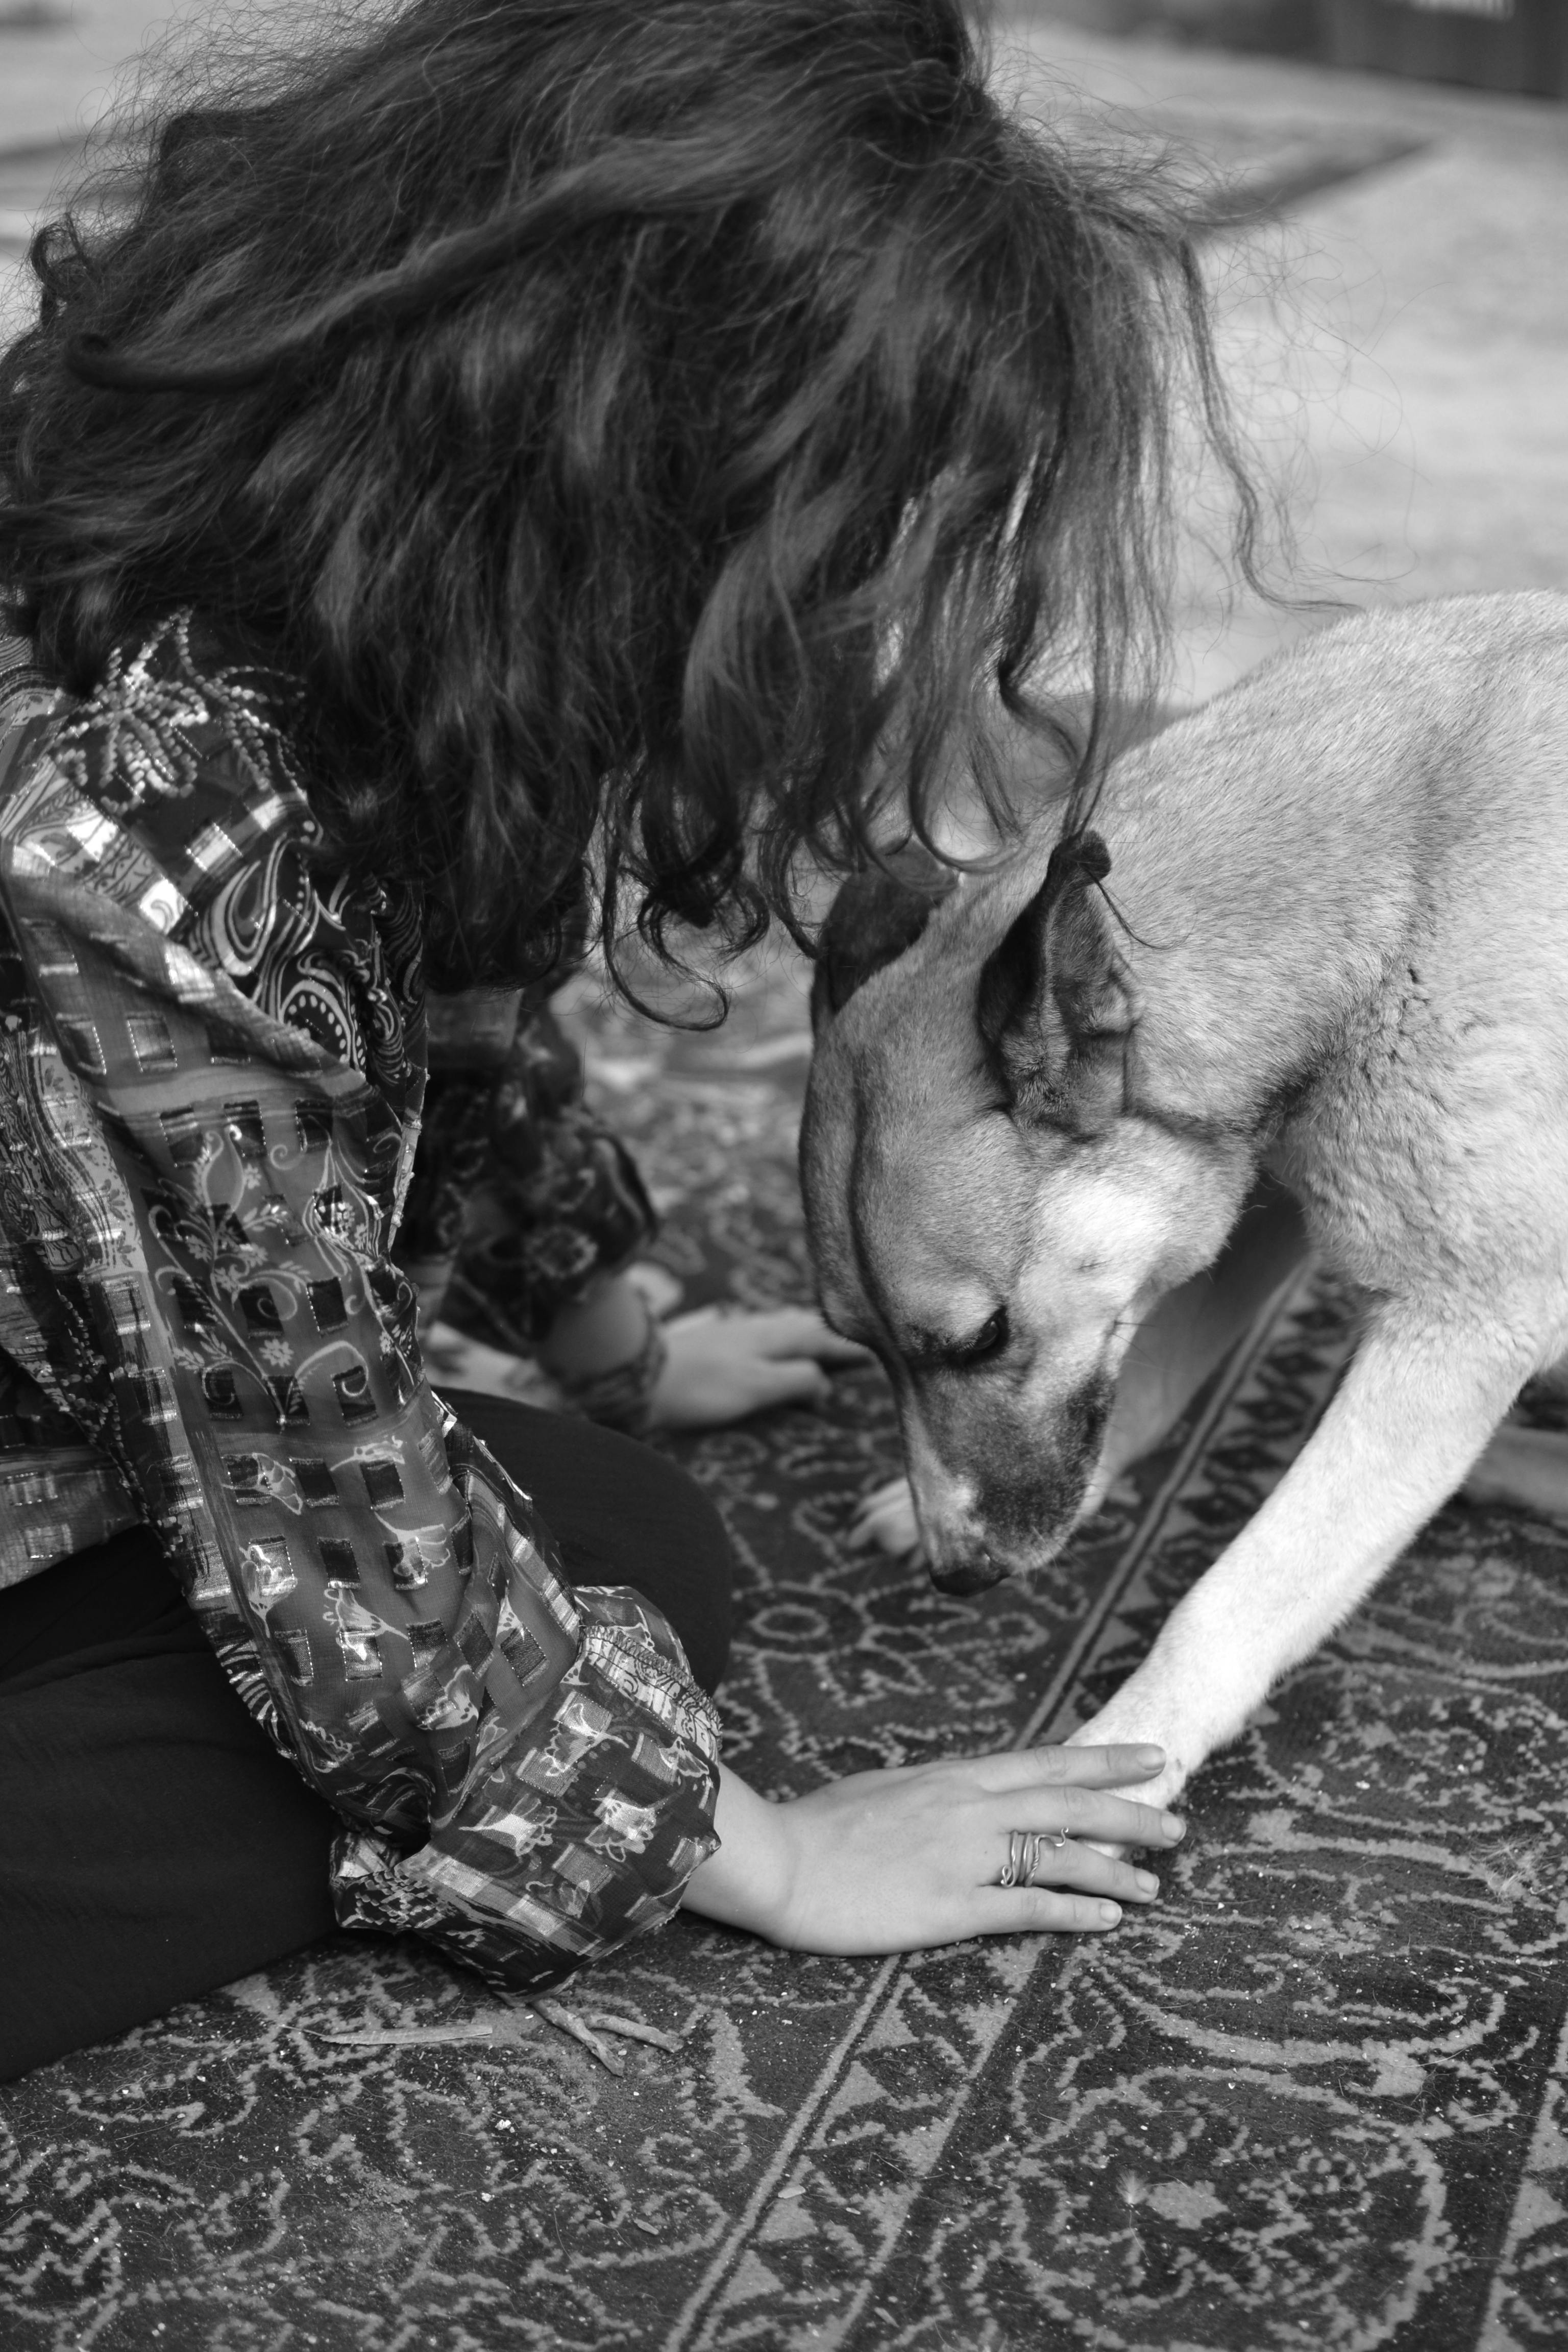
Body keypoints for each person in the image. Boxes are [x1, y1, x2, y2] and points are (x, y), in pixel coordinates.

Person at [0, 0, 1271, 2081]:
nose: (901, 625)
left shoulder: (317, 572)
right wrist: (760, 1852)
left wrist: (609, 1314)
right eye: (872, 545)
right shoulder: (120, 808)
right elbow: (311, 1483)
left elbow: (448, 972)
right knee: (469, 1672)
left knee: (617, 1542)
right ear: (626, 475)